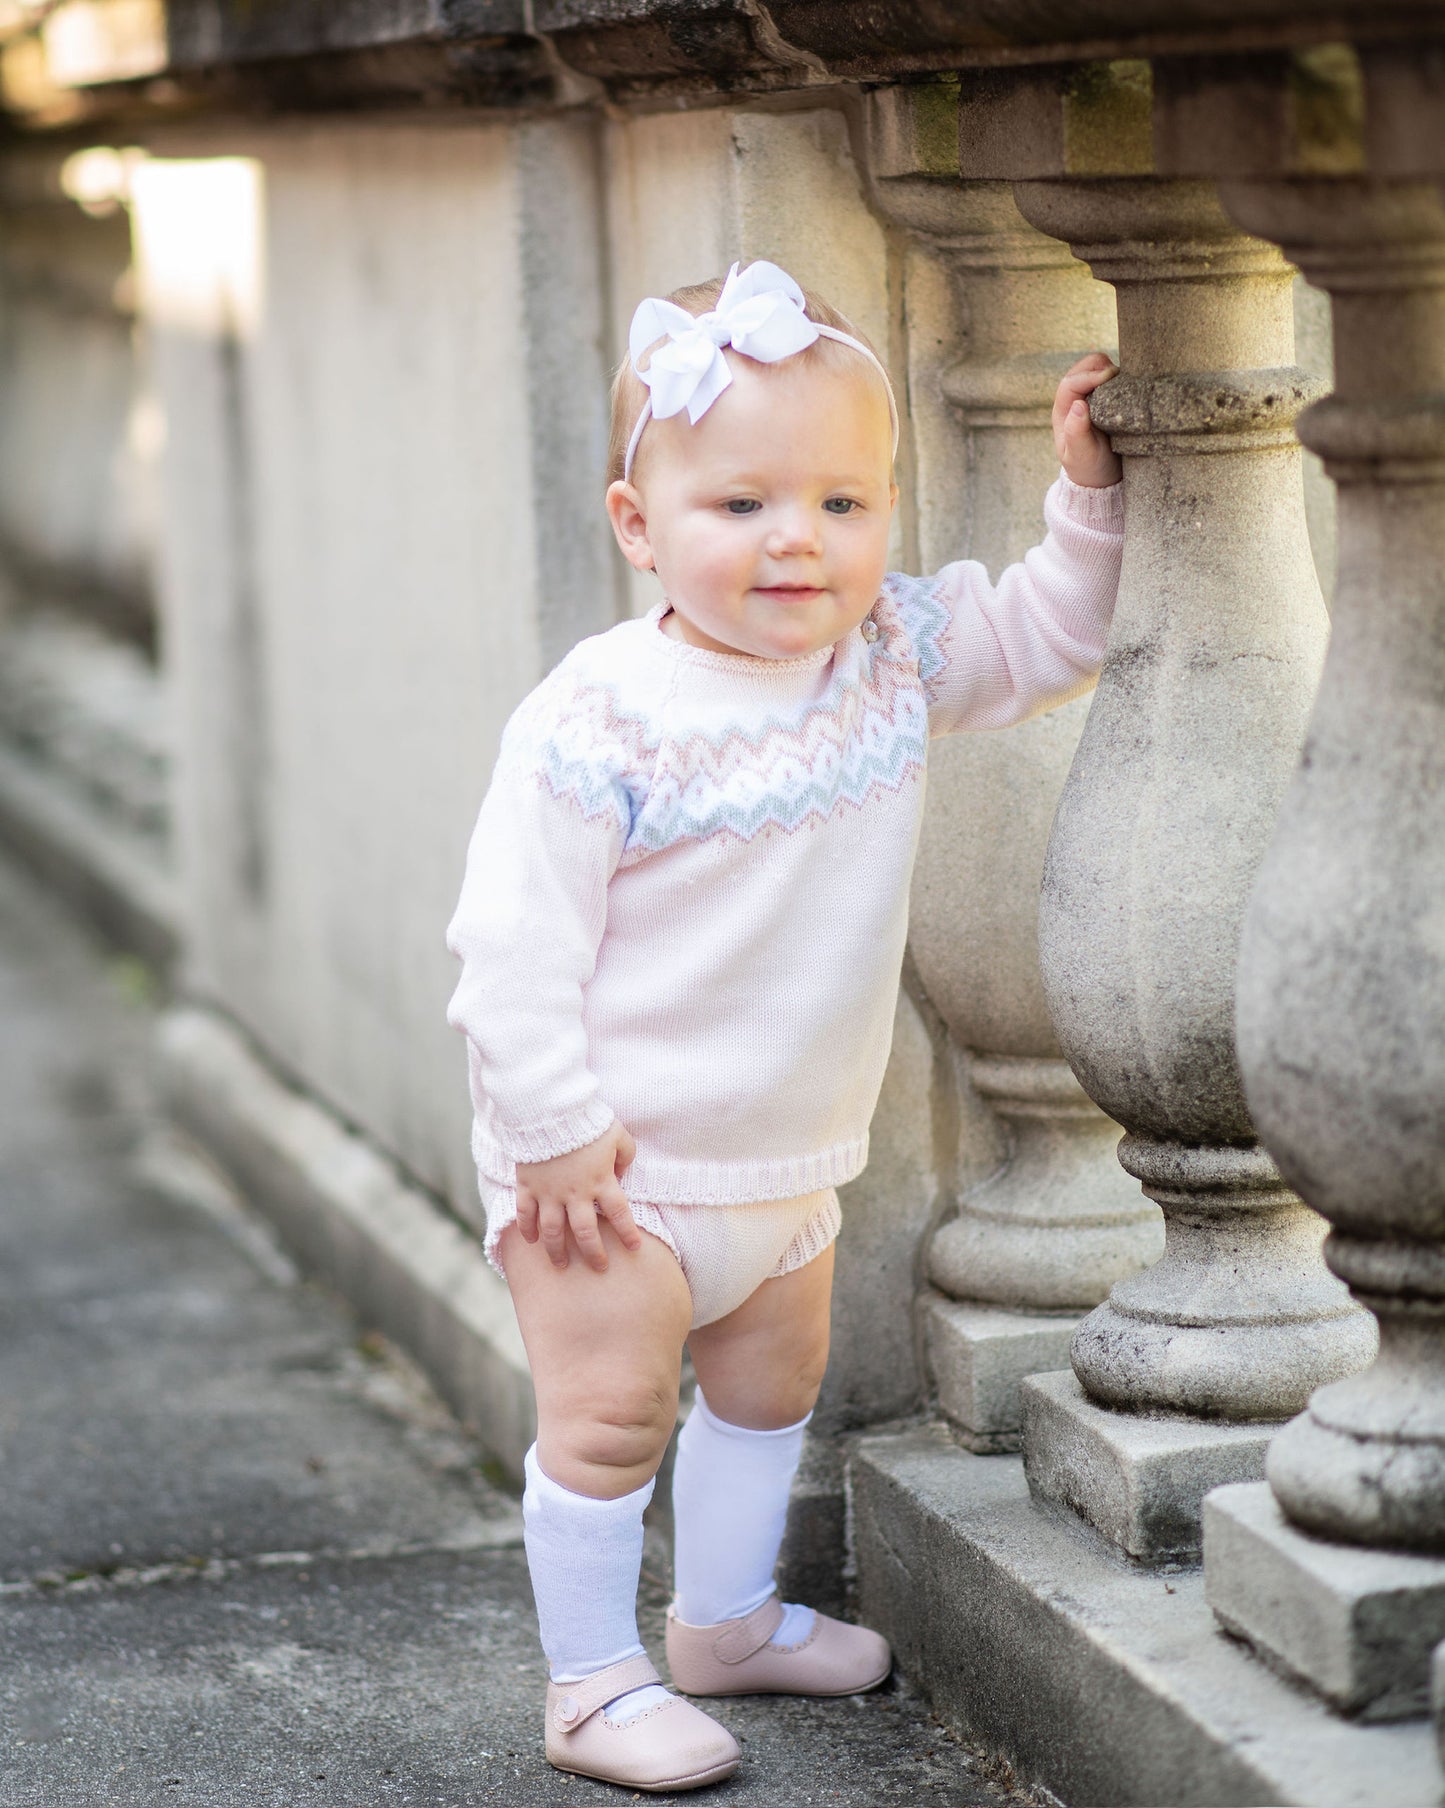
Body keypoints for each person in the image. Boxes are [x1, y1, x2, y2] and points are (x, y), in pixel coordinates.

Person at [445, 259, 1122, 1794]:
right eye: (740, 506)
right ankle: (591, 1685)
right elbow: (509, 946)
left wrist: (1085, 495)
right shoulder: (598, 715)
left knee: (767, 1390)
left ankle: (726, 1623)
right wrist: (549, 1129)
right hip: (614, 1174)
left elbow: (1042, 637)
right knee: (610, 1425)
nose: (796, 543)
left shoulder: (883, 658)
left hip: (785, 1158)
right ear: (640, 528)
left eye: (839, 503)